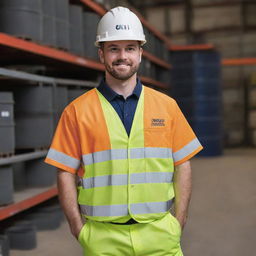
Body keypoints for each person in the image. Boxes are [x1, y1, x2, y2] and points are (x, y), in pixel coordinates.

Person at [45, 6, 203, 256]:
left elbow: (183, 164)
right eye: (113, 48)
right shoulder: (76, 111)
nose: (122, 56)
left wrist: (178, 221)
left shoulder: (167, 106)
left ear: (140, 54)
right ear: (101, 54)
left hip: (160, 235)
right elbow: (65, 172)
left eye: (130, 48)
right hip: (102, 240)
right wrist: (79, 229)